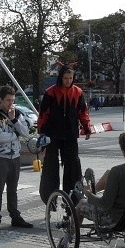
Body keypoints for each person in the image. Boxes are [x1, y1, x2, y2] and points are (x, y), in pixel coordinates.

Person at [38, 63, 91, 204]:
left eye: (70, 78)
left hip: (70, 134)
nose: (68, 81)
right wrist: (42, 132)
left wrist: (87, 127)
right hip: (53, 134)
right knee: (51, 166)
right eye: (65, 78)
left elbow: (83, 112)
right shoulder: (50, 92)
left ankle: (73, 199)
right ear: (61, 77)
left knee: (72, 165)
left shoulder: (78, 92)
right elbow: (43, 114)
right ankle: (50, 199)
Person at [0, 86, 33, 234]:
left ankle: (15, 217)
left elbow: (26, 132)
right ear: (0, 99)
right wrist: (15, 135)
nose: (10, 104)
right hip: (1, 158)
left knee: (13, 190)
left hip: (15, 157)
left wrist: (14, 120)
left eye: (13, 100)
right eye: (8, 100)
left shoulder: (16, 113)